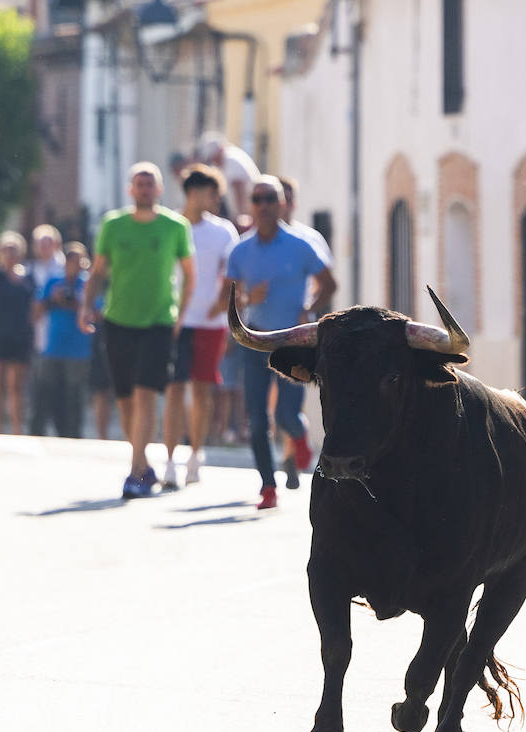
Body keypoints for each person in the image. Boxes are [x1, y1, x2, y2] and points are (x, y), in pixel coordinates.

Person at [79, 162, 195, 499]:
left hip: (158, 321)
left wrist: (181, 314)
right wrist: (87, 305)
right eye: (139, 184)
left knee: (147, 393)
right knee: (125, 400)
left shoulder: (175, 227)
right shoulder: (113, 225)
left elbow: (190, 274)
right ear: (131, 189)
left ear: (159, 190)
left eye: (150, 184)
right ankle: (143, 463)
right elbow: (99, 270)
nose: (144, 189)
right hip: (118, 321)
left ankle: (134, 474)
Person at [221, 174, 336, 509]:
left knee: (286, 414)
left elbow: (329, 284)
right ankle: (268, 486)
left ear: (282, 204)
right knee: (256, 418)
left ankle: (299, 437)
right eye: (257, 200)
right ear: (250, 206)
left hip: (295, 343)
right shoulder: (239, 250)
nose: (264, 206)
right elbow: (225, 300)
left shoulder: (302, 245)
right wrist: (245, 298)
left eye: (270, 199)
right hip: (256, 341)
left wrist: (308, 308)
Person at [162, 164, 238, 489]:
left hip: (210, 324)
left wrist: (222, 305)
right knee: (174, 389)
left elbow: (232, 274)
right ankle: (168, 460)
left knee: (203, 389)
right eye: (212, 192)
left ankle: (195, 454)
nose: (216, 199)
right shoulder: (168, 226)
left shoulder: (223, 232)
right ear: (193, 192)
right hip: (173, 321)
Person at [274, 174, 334, 487]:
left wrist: (307, 308)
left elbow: (326, 284)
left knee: (288, 405)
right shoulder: (257, 238)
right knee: (270, 406)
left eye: (280, 197)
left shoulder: (309, 239)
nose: (274, 204)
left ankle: (292, 453)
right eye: (268, 198)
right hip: (266, 331)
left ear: (291, 203)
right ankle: (286, 455)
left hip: (301, 332)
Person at [32, 242, 93, 438]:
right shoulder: (54, 281)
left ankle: (73, 434)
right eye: (73, 261)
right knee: (46, 392)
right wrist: (53, 299)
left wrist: (75, 303)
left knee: (74, 395)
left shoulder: (88, 284)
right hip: (53, 347)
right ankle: (40, 431)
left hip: (78, 350)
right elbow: (36, 311)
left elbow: (96, 313)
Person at [0, 231, 35, 435]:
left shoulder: (28, 276)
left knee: (16, 386)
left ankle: (17, 429)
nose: (10, 254)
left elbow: (34, 307)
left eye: (14, 249)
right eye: (7, 250)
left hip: (21, 336)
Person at [26, 223, 65, 436]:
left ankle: (63, 429)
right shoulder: (30, 270)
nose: (44, 248)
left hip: (60, 337)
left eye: (48, 243)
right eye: (40, 244)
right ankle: (37, 429)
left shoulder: (64, 270)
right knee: (40, 387)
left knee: (61, 388)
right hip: (39, 336)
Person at [198, 131, 260, 218]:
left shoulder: (231, 160)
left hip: (247, 214)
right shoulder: (229, 158)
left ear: (219, 151)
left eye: (214, 157)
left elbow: (239, 189)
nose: (213, 161)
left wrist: (240, 216)